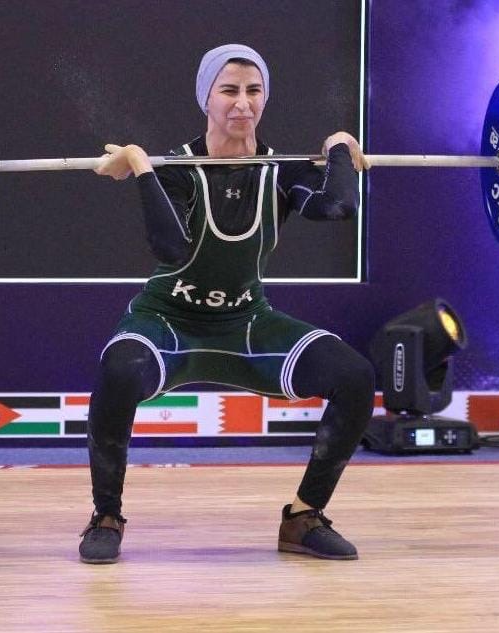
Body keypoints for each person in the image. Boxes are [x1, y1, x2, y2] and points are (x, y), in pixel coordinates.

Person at [80, 44, 375, 564]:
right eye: (229, 90)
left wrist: (338, 148)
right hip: (168, 320)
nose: (243, 103)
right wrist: (143, 165)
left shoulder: (281, 170)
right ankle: (107, 516)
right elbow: (171, 247)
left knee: (354, 376)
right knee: (120, 369)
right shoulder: (177, 168)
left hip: (246, 322)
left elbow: (338, 206)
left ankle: (303, 516)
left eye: (254, 91)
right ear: (207, 98)